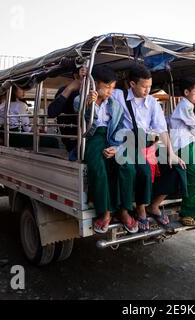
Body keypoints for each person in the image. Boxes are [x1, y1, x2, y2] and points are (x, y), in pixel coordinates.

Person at [113, 63, 185, 232]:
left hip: (148, 143)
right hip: (127, 142)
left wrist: (171, 153)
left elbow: (161, 129)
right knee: (143, 172)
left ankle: (154, 205)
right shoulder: (119, 96)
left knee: (176, 167)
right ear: (132, 84)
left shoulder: (152, 102)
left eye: (150, 86)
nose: (148, 90)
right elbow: (103, 90)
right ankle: (140, 208)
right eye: (144, 87)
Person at [153, 77, 195, 227]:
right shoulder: (184, 106)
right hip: (184, 145)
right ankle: (187, 213)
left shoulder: (192, 107)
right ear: (186, 92)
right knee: (194, 177)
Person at [72, 65, 126, 233]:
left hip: (110, 139)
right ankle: (106, 212)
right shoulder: (80, 100)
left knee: (124, 166)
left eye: (113, 87)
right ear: (95, 84)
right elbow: (85, 122)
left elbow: (119, 129)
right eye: (107, 87)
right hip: (91, 138)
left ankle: (122, 209)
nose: (110, 91)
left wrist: (116, 147)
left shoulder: (115, 105)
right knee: (99, 168)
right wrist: (90, 105)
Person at [48, 66, 88, 158]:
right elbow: (52, 112)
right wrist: (69, 89)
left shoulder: (96, 90)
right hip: (73, 139)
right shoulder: (66, 90)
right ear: (75, 76)